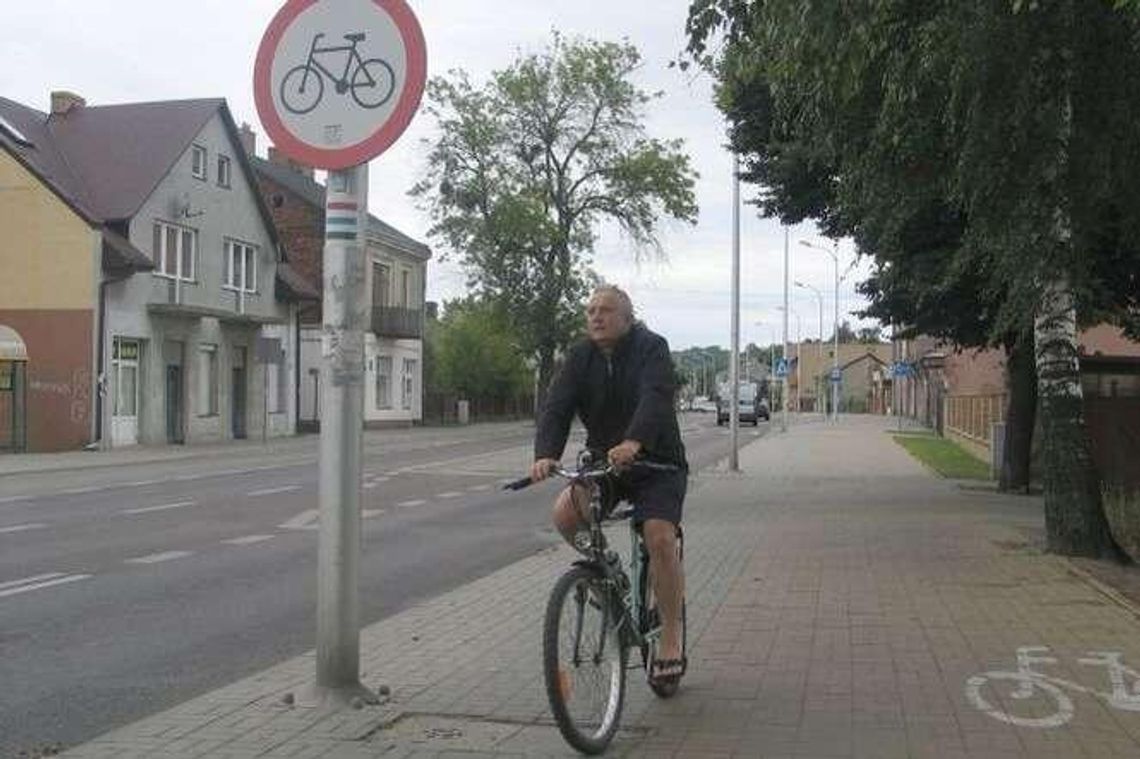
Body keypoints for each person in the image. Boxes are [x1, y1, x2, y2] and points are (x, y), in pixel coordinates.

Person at [529, 285, 688, 686]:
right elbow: (558, 405)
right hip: (607, 465)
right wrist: (546, 454)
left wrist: (635, 441)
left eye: (606, 310)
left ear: (627, 317)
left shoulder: (652, 348)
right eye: (590, 310)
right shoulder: (579, 356)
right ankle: (605, 575)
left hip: (657, 462)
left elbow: (655, 396)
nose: (596, 317)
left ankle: (670, 638)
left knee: (659, 537)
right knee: (566, 512)